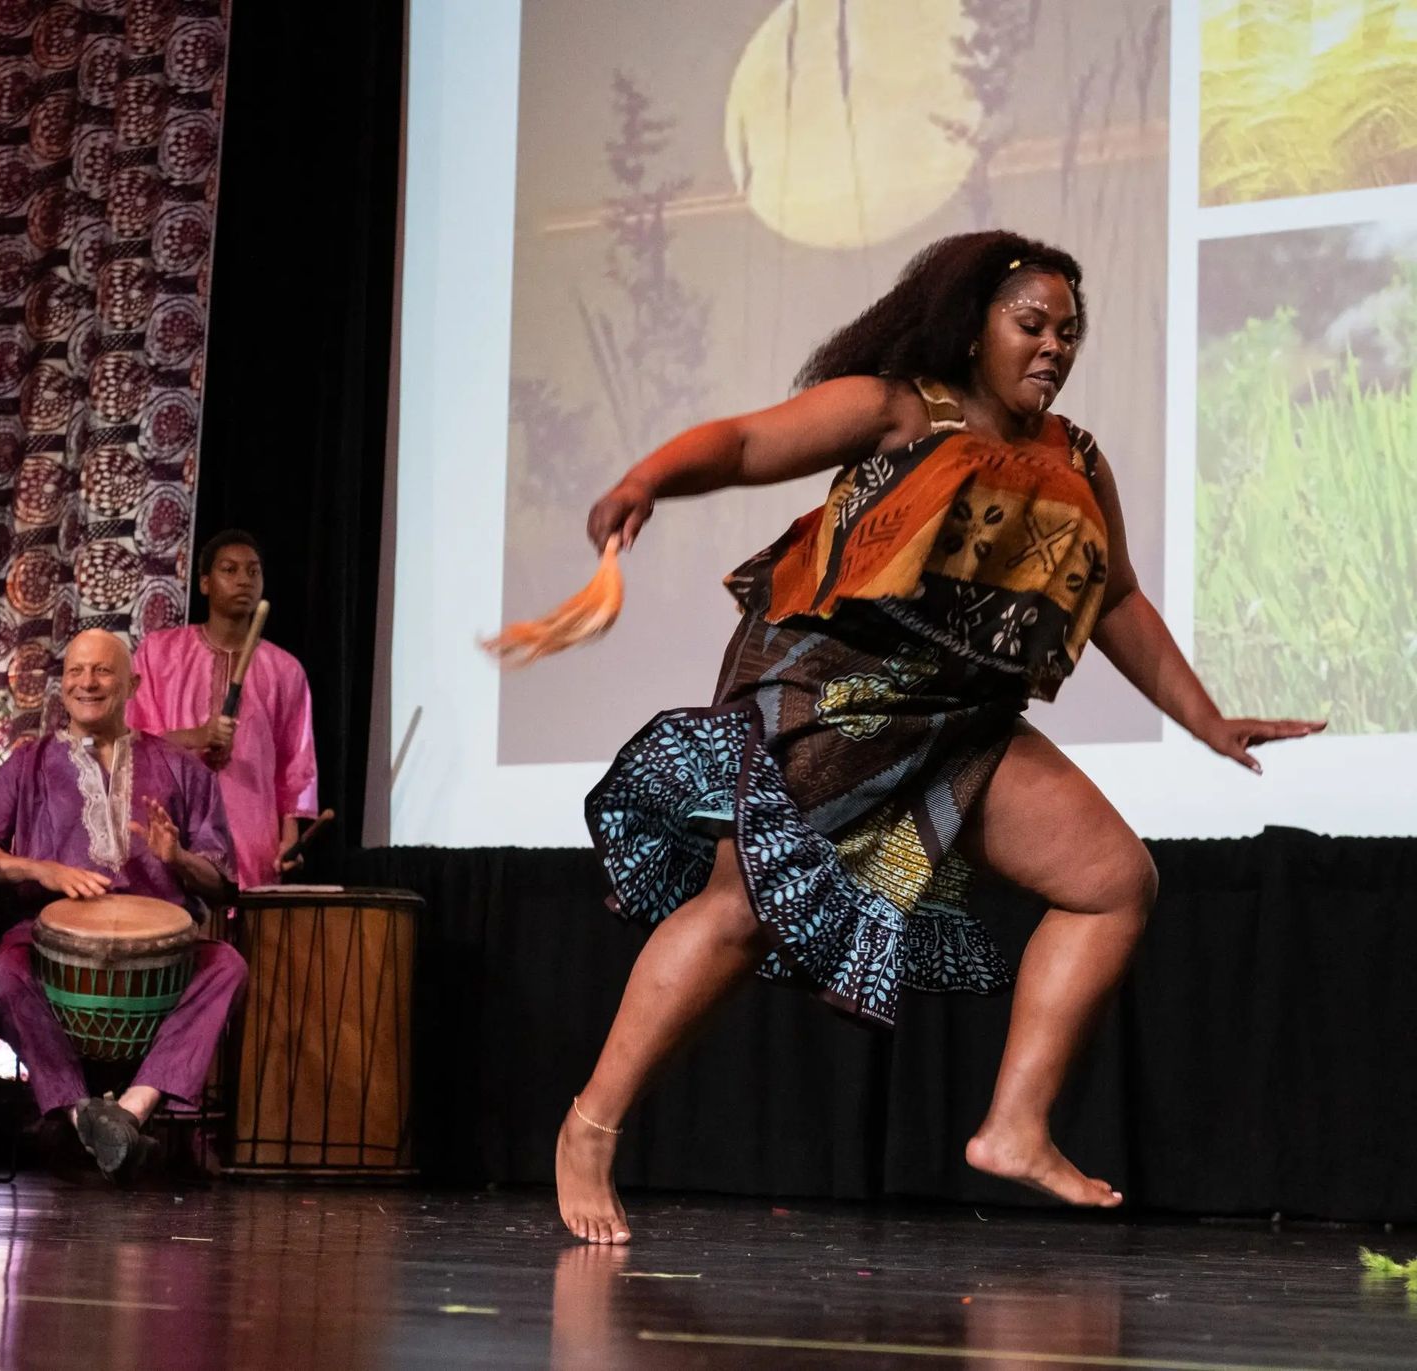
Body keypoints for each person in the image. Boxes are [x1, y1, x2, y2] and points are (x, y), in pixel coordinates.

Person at [551, 232, 1324, 1244]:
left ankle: (1014, 1127)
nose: (1055, 347)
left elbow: (1118, 598)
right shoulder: (901, 407)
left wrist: (1206, 718)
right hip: (836, 690)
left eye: (1070, 332)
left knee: (1111, 881)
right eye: (1032, 324)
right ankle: (591, 1127)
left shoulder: (1077, 457)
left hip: (959, 716)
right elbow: (743, 442)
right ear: (976, 324)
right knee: (740, 912)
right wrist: (650, 477)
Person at [0, 629, 245, 1177]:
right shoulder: (29, 764)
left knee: (226, 965)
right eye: (76, 672)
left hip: (159, 964)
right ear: (61, 687)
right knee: (5, 976)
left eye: (103, 671)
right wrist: (40, 868)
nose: (88, 682)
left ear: (132, 682)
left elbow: (222, 879)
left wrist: (177, 857)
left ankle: (131, 1111)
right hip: (51, 952)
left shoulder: (180, 767)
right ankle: (85, 1113)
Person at [127, 530, 319, 888]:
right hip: (171, 824)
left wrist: (289, 833)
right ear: (204, 583)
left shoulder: (285, 670)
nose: (244, 580)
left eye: (253, 571)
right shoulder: (158, 653)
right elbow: (131, 743)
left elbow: (295, 764)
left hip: (251, 836)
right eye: (229, 570)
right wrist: (196, 737)